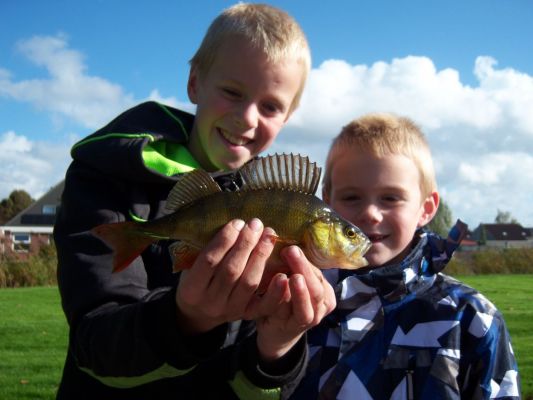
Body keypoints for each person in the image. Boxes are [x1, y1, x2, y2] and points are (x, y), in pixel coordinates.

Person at [53, 4, 335, 399]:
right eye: (233, 92)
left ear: (288, 117)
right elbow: (95, 346)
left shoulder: (271, 201)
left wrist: (278, 346)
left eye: (271, 106)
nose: (248, 118)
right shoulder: (105, 179)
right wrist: (187, 318)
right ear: (194, 83)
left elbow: (253, 389)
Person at [290, 113, 521, 399]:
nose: (370, 214)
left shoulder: (471, 318)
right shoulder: (293, 299)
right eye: (351, 197)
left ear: (426, 208)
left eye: (391, 198)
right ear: (326, 203)